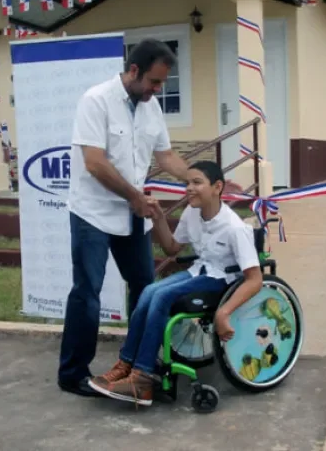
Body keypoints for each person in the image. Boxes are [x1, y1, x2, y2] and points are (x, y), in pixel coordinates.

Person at [58, 39, 191, 397]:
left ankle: (138, 364)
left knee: (145, 288)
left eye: (162, 82)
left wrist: (199, 179)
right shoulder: (96, 100)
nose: (157, 89)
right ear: (134, 70)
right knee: (88, 292)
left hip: (133, 212)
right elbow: (94, 162)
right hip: (93, 212)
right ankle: (72, 374)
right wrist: (134, 196)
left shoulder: (151, 107)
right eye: (154, 81)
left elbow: (166, 156)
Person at [87, 161, 264, 407]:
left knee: (161, 296)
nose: (189, 188)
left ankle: (142, 377)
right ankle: (126, 364)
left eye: (197, 182)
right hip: (199, 271)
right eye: (187, 183)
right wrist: (159, 217)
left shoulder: (235, 228)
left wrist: (224, 312)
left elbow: (255, 280)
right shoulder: (192, 213)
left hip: (222, 280)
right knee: (149, 290)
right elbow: (172, 248)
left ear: (217, 187)